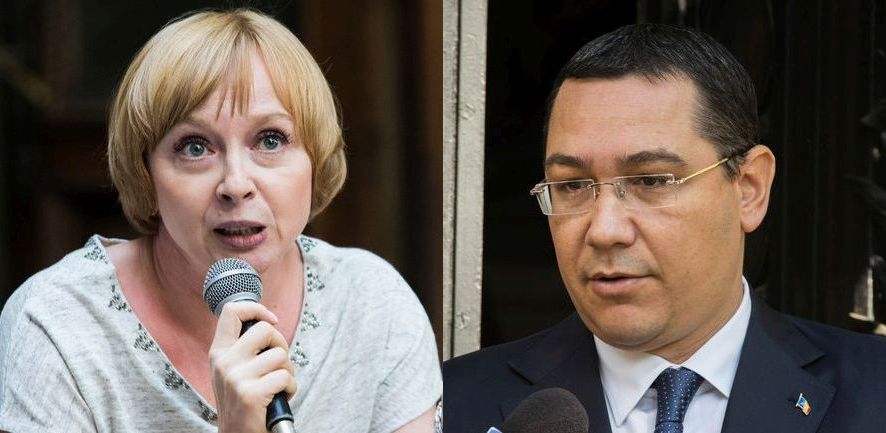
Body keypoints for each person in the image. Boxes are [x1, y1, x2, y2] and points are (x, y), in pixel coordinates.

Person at [0, 9, 441, 433]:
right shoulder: (57, 323)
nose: (236, 184)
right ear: (145, 173)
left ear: (315, 158)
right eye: (195, 147)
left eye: (270, 140)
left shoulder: (374, 306)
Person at [443, 23, 886, 433]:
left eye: (651, 181)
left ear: (749, 188)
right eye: (572, 185)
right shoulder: (450, 407)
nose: (605, 230)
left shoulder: (874, 392)